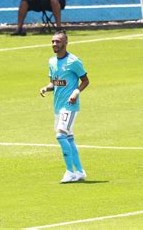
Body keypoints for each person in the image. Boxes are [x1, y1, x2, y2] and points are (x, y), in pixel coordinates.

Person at [39, 30, 89, 183]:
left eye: (58, 41)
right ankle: (80, 171)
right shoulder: (51, 62)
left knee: (60, 135)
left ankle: (69, 172)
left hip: (69, 106)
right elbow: (55, 82)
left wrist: (76, 92)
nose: (54, 44)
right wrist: (46, 88)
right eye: (53, 41)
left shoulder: (73, 61)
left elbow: (85, 81)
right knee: (69, 138)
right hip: (58, 106)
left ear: (66, 43)